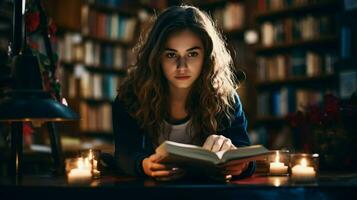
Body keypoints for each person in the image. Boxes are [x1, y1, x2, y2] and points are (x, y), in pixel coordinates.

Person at [112, 5, 254, 181]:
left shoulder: (225, 98)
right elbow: (125, 154)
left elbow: (245, 152)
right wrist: (144, 165)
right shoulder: (130, 98)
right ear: (156, 57)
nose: (182, 67)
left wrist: (238, 161)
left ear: (207, 57)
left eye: (192, 54)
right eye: (171, 55)